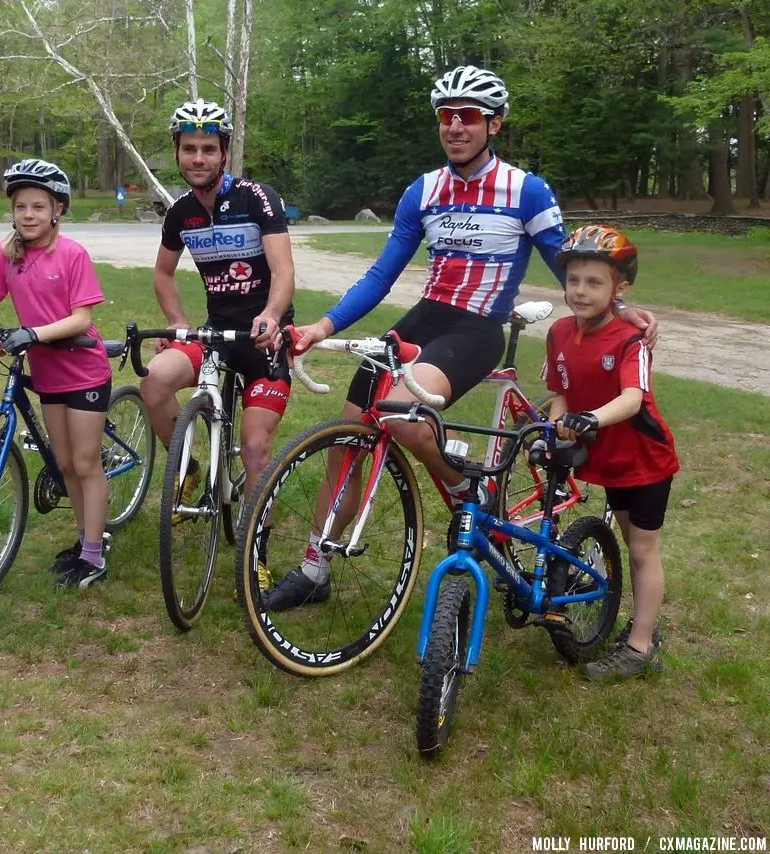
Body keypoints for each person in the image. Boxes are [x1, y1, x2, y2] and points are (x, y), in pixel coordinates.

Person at [266, 64, 658, 611]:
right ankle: (315, 566)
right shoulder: (423, 191)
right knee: (349, 439)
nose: (455, 126)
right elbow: (381, 275)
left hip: (476, 327)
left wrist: (620, 309)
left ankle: (464, 487)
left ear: (493, 124)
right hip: (425, 316)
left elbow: (574, 264)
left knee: (401, 412)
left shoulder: (526, 190)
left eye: (468, 116)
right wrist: (323, 326)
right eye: (446, 117)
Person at [139, 99, 297, 589]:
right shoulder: (181, 212)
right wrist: (178, 323)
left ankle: (255, 552)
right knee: (154, 381)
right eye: (190, 149)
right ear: (178, 153)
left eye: (209, 149)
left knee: (253, 447)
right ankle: (187, 471)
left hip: (264, 339)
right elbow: (163, 274)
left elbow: (285, 270)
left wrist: (272, 315)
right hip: (216, 334)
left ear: (224, 153)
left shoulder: (256, 198)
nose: (199, 158)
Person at [542, 225, 678, 680]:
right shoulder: (559, 332)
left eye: (595, 282)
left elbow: (633, 398)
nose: (581, 291)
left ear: (619, 289)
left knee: (642, 550)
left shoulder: (629, 338)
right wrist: (560, 420)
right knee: (626, 538)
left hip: (643, 459)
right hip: (606, 459)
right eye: (574, 280)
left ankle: (640, 647)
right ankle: (640, 625)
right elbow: (558, 390)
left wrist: (591, 419)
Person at [0, 158, 112, 590]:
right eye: (21, 207)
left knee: (87, 463)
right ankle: (83, 540)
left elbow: (80, 318)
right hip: (48, 373)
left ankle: (95, 555)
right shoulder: (5, 254)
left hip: (85, 370)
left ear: (58, 210)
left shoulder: (72, 254)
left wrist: (31, 332)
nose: (28, 215)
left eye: (38, 206)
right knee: (65, 463)